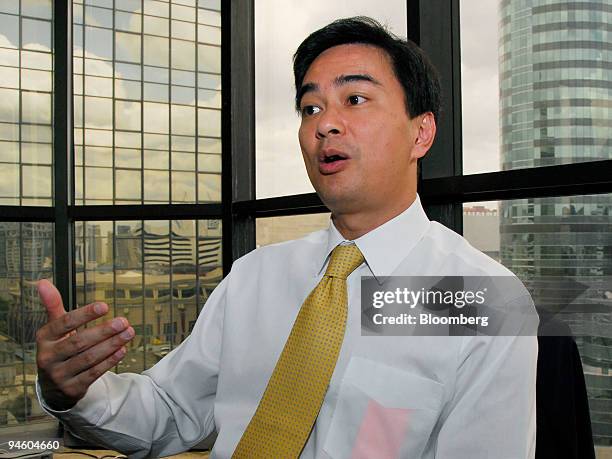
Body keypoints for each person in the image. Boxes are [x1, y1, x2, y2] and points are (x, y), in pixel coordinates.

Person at [36, 17, 537, 458]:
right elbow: (169, 412)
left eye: (355, 99)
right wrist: (74, 391)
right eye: (310, 108)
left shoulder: (483, 299)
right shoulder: (257, 275)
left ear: (421, 134)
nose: (325, 125)